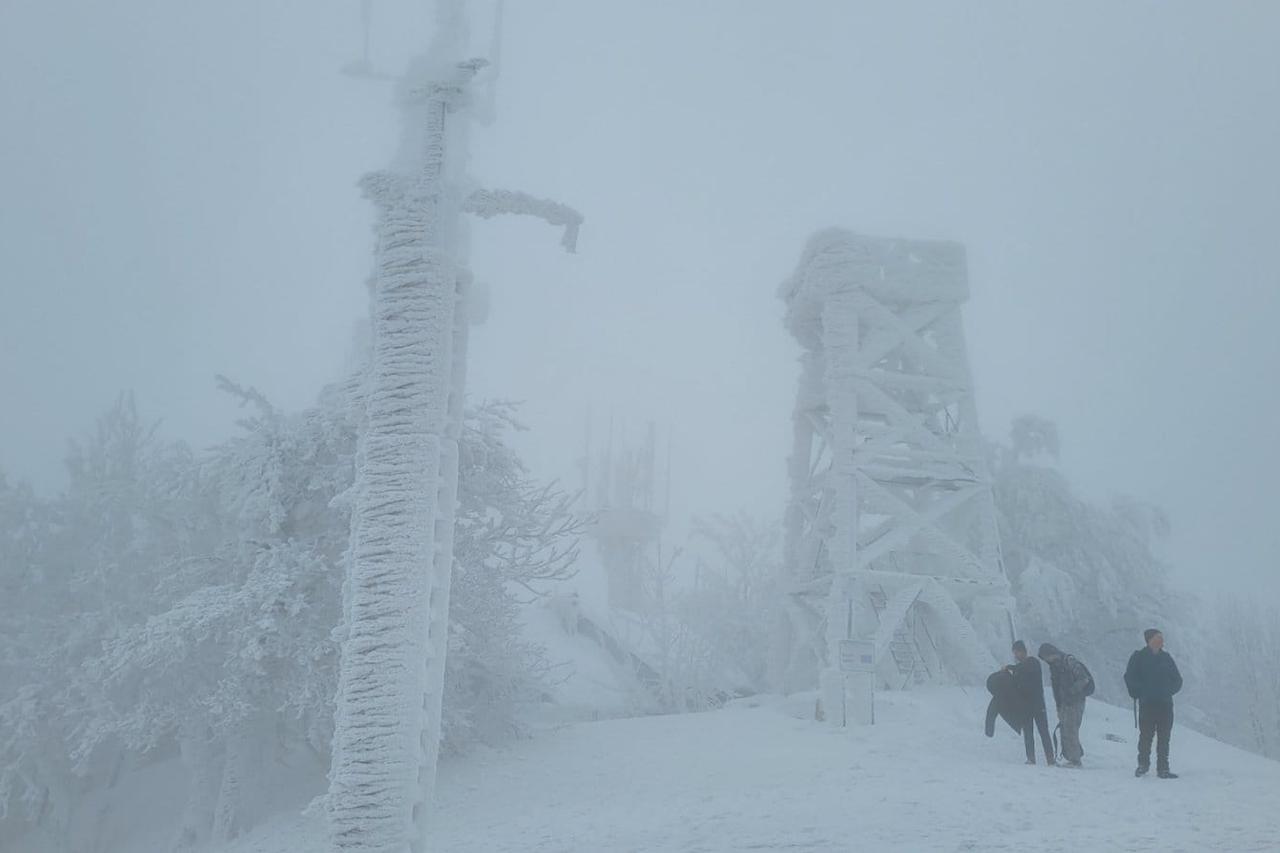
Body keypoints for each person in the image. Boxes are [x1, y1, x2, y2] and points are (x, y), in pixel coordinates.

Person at [1124, 628, 1183, 779]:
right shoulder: (1139, 657)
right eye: (1158, 637)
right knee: (1146, 736)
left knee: (1164, 737)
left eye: (1162, 638)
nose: (1162, 640)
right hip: (1147, 704)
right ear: (1149, 640)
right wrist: (1139, 692)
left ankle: (1163, 769)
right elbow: (1129, 677)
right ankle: (1143, 765)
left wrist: (1168, 691)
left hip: (1165, 704)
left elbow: (1178, 680)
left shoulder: (1166, 658)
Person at [1037, 642, 1094, 767]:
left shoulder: (1069, 662)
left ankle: (1075, 760)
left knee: (1070, 728)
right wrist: (1058, 704)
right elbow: (1056, 687)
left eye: (1046, 656)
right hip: (1064, 702)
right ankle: (1073, 756)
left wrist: (1071, 692)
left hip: (1075, 700)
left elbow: (1084, 679)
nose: (1047, 660)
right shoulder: (1054, 667)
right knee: (1065, 728)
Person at [1007, 640, 1054, 765]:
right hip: (1026, 705)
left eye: (1016, 652)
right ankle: (1031, 758)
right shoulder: (1021, 667)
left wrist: (1013, 670)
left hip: (1037, 704)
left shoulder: (1033, 663)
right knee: (1028, 733)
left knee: (1043, 732)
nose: (1015, 656)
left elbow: (1024, 670)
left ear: (1022, 651)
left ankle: (1050, 759)